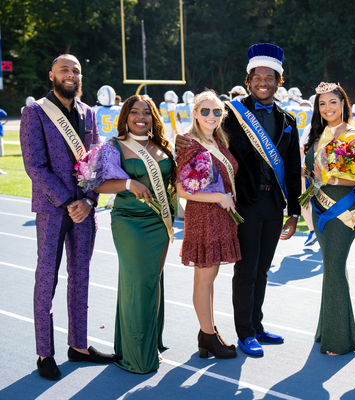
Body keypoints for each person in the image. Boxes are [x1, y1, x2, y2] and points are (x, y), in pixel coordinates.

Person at [176, 43, 302, 357]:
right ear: (248, 80)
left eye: (269, 77)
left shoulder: (288, 120)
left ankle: (256, 326)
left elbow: (291, 168)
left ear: (278, 81)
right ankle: (244, 333)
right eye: (257, 77)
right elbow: (205, 136)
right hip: (244, 204)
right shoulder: (231, 114)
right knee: (246, 271)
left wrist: (295, 211)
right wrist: (183, 141)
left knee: (263, 270)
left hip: (274, 205)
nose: (263, 82)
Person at [20, 54, 116, 381]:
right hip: (52, 210)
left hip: (85, 210)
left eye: (76, 70)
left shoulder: (89, 113)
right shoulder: (35, 112)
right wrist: (68, 201)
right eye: (64, 69)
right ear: (52, 75)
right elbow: (35, 166)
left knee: (81, 278)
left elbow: (97, 161)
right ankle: (45, 353)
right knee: (47, 280)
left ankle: (79, 345)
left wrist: (88, 200)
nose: (71, 74)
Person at [94, 95, 177, 374]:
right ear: (125, 117)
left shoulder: (162, 145)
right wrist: (129, 183)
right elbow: (97, 184)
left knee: (153, 281)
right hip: (130, 222)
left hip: (159, 222)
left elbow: (170, 184)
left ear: (154, 117)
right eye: (134, 112)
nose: (141, 117)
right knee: (139, 283)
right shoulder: (114, 146)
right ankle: (136, 354)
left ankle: (149, 343)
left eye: (146, 112)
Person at [303, 82, 355, 355]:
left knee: (334, 265)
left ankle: (338, 341)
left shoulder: (354, 136)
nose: (327, 108)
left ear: (343, 104)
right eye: (322, 104)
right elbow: (311, 172)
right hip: (320, 207)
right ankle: (328, 330)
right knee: (332, 267)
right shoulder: (318, 135)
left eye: (332, 102)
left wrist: (330, 178)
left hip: (344, 208)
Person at [175, 91, 239, 359]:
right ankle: (208, 336)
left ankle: (208, 333)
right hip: (203, 217)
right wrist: (219, 197)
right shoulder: (189, 144)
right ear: (195, 113)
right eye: (205, 111)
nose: (211, 116)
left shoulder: (219, 140)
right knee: (203, 280)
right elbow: (181, 189)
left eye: (216, 111)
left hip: (221, 217)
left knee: (210, 279)